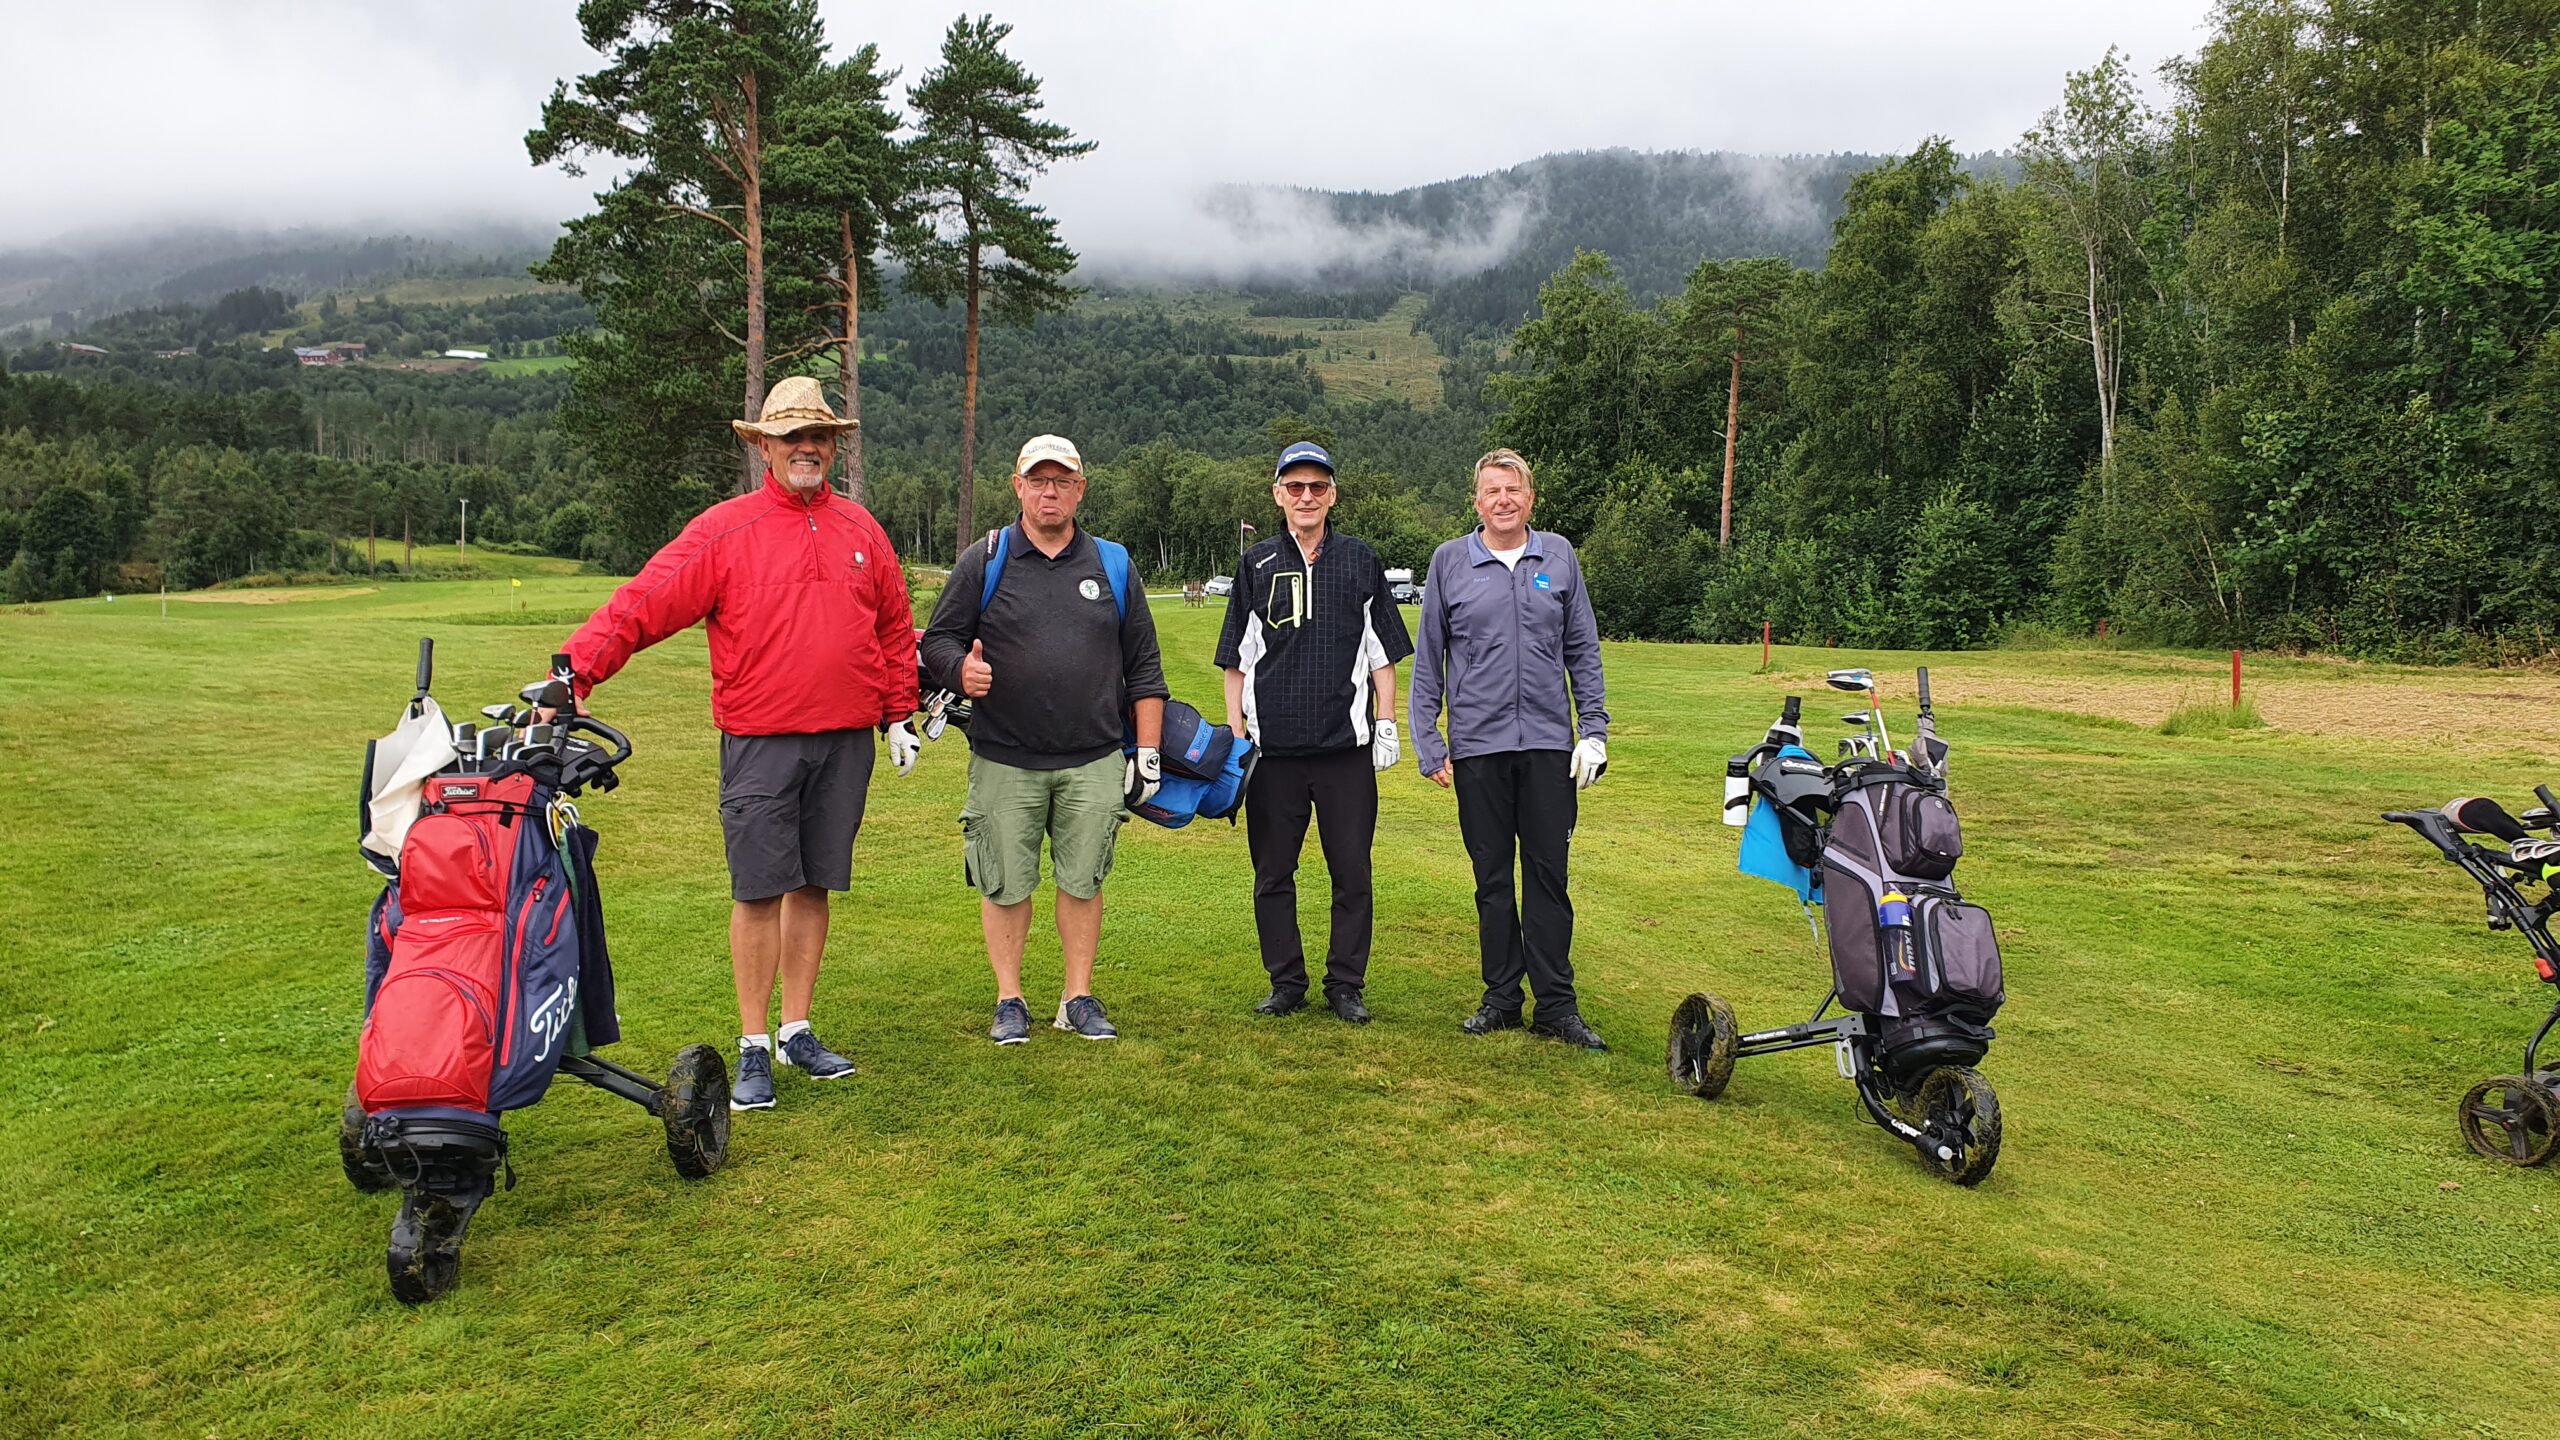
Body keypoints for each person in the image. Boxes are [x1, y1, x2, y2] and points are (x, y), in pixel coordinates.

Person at [543, 376, 920, 1111]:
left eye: (818, 437)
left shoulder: (861, 530)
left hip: (846, 739)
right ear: (765, 447)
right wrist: (575, 671)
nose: (807, 448)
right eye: (791, 437)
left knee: (814, 884)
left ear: (833, 446)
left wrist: (899, 712)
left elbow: (892, 625)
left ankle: (797, 1030)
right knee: (758, 890)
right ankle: (753, 1044)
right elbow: (644, 602)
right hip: (761, 741)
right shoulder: (725, 530)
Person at [919, 434, 1168, 1045]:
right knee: (1005, 881)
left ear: (1080, 490)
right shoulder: (986, 559)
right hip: (1005, 756)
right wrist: (959, 672)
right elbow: (939, 640)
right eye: (1038, 480)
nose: (1049, 492)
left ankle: (1076, 997)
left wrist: (1148, 753)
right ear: (1018, 486)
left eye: (1061, 481)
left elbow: (1144, 667)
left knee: (1083, 880)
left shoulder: (1113, 563)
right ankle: (1010, 999)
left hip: (1094, 757)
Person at [1409, 448, 1611, 1050]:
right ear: (1477, 501)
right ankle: (1501, 998)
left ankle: (1556, 1006)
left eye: (1513, 490)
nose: (1503, 500)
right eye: (1492, 491)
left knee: (1548, 876)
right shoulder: (1450, 561)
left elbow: (1583, 649)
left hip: (1549, 746)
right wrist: (1429, 741)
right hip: (1478, 749)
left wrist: (1593, 730)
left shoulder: (1559, 555)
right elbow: (1429, 659)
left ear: (1530, 499)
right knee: (1492, 878)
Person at [1215, 441, 1412, 1023]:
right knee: (1273, 873)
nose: (1306, 496)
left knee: (1352, 871)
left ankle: (1345, 984)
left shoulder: (1359, 560)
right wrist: (1237, 734)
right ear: (1278, 494)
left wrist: (1386, 721)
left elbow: (1381, 654)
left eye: (1317, 487)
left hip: (1344, 749)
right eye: (1295, 487)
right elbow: (1236, 661)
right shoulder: (1255, 564)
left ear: (1332, 495)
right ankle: (1286, 982)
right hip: (1273, 752)